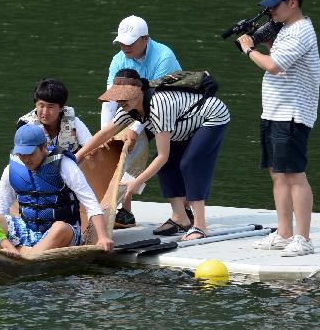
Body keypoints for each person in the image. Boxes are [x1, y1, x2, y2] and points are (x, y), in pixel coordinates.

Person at [76, 69, 229, 241]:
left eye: (125, 96)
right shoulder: (128, 107)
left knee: (190, 163)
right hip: (182, 124)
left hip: (211, 117)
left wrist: (137, 181)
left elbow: (162, 156)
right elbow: (105, 133)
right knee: (169, 165)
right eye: (118, 97)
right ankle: (180, 218)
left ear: (139, 92)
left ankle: (200, 226)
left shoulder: (158, 105)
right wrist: (79, 155)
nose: (120, 101)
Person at [236, 0, 320, 257]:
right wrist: (268, 42)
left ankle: (303, 238)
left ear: (292, 3)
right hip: (274, 111)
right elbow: (282, 60)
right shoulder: (286, 29)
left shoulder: (301, 31)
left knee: (295, 175)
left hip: (293, 114)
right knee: (276, 173)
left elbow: (273, 66)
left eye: (275, 5)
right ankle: (284, 234)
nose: (271, 11)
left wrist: (249, 48)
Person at [103, 15, 186, 228]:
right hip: (138, 109)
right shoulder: (118, 59)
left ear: (146, 39)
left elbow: (156, 101)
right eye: (121, 42)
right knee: (122, 147)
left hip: (171, 111)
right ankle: (124, 212)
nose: (125, 47)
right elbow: (111, 99)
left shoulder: (163, 57)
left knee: (174, 160)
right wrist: (107, 134)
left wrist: (133, 129)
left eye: (130, 43)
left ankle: (184, 209)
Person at [0, 124, 114, 253]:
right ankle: (16, 250)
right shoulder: (11, 170)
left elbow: (90, 202)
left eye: (30, 153)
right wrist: (3, 240)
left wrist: (102, 237)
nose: (26, 159)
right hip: (27, 230)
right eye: (21, 154)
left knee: (59, 228)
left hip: (62, 234)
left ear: (43, 146)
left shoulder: (65, 166)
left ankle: (26, 256)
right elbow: (1, 209)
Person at [16, 78, 92, 153]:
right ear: (35, 104)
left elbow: (92, 146)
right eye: (41, 106)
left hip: (74, 162)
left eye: (50, 107)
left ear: (61, 108)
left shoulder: (73, 122)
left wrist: (76, 159)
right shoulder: (25, 126)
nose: (45, 112)